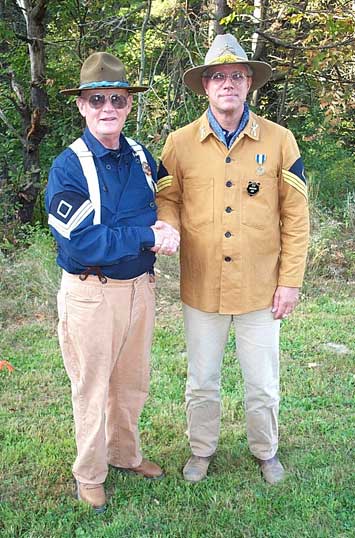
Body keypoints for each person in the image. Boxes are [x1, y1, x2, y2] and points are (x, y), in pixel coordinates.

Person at [156, 34, 309, 485]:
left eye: (237, 76)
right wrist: (167, 225)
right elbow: (167, 201)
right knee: (202, 381)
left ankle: (266, 451)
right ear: (205, 86)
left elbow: (296, 218)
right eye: (218, 76)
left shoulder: (280, 140)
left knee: (262, 384)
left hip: (261, 287)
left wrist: (291, 281)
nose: (228, 83)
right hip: (201, 284)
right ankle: (202, 450)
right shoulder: (179, 143)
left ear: (249, 84)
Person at [45, 52, 179, 512]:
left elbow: (172, 199)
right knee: (92, 386)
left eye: (117, 100)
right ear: (81, 105)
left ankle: (125, 454)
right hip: (91, 293)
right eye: (97, 99)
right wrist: (148, 235)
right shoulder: (68, 167)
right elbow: (84, 242)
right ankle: (90, 473)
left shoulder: (142, 156)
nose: (108, 108)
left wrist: (170, 225)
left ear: (128, 105)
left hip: (140, 289)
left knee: (131, 382)